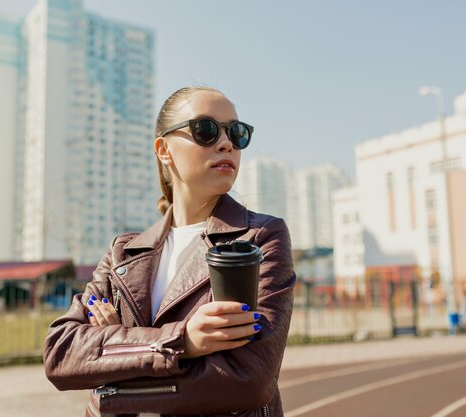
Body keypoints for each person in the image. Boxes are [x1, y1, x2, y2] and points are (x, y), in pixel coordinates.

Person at [43, 86, 296, 417]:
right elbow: (61, 352)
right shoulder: (124, 253)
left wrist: (111, 383)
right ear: (163, 149)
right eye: (205, 129)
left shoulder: (260, 237)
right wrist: (182, 341)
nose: (226, 144)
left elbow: (248, 380)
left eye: (237, 133)